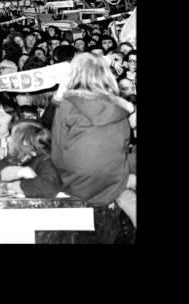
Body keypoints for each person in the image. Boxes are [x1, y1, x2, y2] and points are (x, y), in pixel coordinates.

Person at [51, 53, 134, 241]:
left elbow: (57, 151)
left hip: (75, 184)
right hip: (113, 185)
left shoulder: (67, 103)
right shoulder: (121, 107)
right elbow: (123, 146)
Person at [0, 120, 61, 198]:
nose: (7, 139)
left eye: (11, 135)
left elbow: (48, 188)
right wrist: (18, 171)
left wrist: (9, 186)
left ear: (25, 141)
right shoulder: (13, 159)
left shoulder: (45, 160)